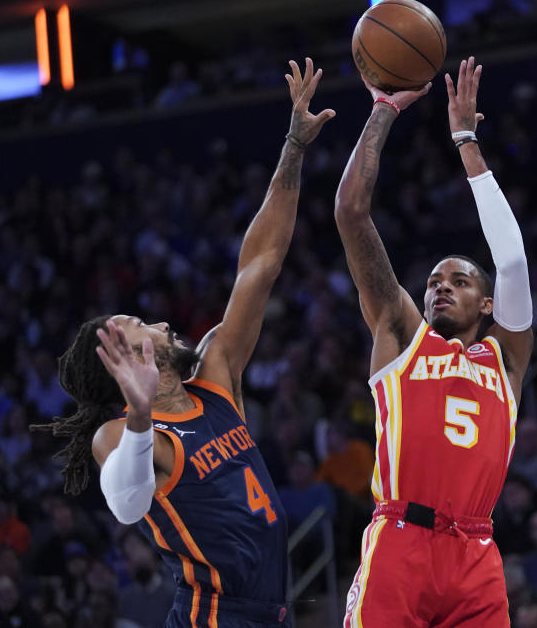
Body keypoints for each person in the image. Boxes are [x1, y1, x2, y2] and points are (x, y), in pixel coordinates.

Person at [31, 58, 335, 628]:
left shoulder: (216, 376)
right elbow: (126, 505)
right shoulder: (121, 434)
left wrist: (294, 145)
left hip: (271, 613)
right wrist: (144, 413)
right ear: (121, 362)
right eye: (136, 322)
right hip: (213, 617)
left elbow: (261, 262)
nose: (159, 322)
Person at [335, 57, 534, 627]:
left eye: (460, 281)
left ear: (488, 305)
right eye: (433, 282)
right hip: (401, 539)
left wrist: (467, 142)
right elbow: (351, 214)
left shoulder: (506, 361)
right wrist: (381, 110)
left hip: (475, 551)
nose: (441, 288)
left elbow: (514, 261)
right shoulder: (402, 338)